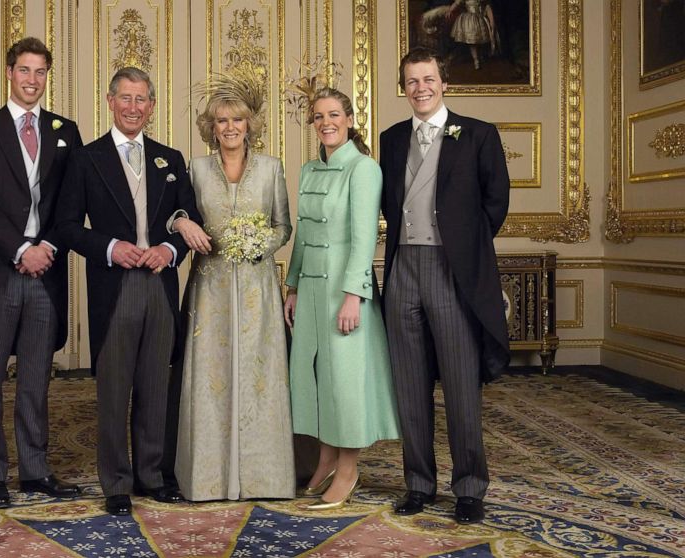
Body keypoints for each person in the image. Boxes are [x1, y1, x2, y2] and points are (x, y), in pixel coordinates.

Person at [56, 67, 202, 516]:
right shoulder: (86, 159)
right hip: (114, 286)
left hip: (159, 285)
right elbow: (65, 226)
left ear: (152, 106)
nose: (133, 108)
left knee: (156, 386)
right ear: (109, 100)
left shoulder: (170, 158)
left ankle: (152, 476)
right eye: (125, 99)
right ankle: (116, 482)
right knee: (114, 389)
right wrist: (110, 247)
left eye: (142, 100)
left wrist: (168, 249)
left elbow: (189, 217)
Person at [379, 47, 510, 525]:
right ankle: (418, 484)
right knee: (409, 386)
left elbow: (495, 203)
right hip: (402, 271)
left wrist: (462, 247)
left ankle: (469, 488)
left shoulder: (477, 134)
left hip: (451, 272)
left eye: (428, 79)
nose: (421, 88)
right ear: (404, 87)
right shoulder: (391, 139)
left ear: (444, 82)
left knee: (459, 386)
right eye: (412, 81)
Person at [0, 37, 83, 509]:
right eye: (24, 70)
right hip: (0, 272)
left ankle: (35, 471)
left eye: (40, 72)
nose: (32, 80)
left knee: (36, 380)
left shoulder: (65, 130)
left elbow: (70, 201)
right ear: (9, 72)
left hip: (47, 272)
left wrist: (47, 246)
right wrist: (20, 250)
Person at [169, 77, 294, 501]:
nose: (229, 128)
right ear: (211, 127)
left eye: (237, 119)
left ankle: (264, 478)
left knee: (260, 377)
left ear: (249, 123)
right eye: (221, 121)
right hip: (212, 290)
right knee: (212, 377)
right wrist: (181, 223)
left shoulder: (272, 168)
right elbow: (177, 213)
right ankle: (208, 478)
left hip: (259, 290)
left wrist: (263, 243)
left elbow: (284, 226)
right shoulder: (197, 169)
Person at [283, 88, 400, 510]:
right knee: (314, 378)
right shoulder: (310, 169)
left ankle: (348, 469)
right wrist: (293, 286)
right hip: (311, 290)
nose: (326, 122)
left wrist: (354, 296)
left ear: (350, 119)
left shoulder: (364, 169)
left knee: (346, 383)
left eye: (334, 114)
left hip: (345, 291)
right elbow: (303, 234)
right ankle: (326, 457)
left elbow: (364, 238)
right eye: (318, 116)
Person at [449, 0, 498, 69]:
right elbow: (457, 3)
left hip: (480, 19)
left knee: (480, 40)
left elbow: (487, 7)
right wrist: (450, 10)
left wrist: (491, 21)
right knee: (472, 42)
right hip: (470, 21)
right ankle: (476, 60)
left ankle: (480, 56)